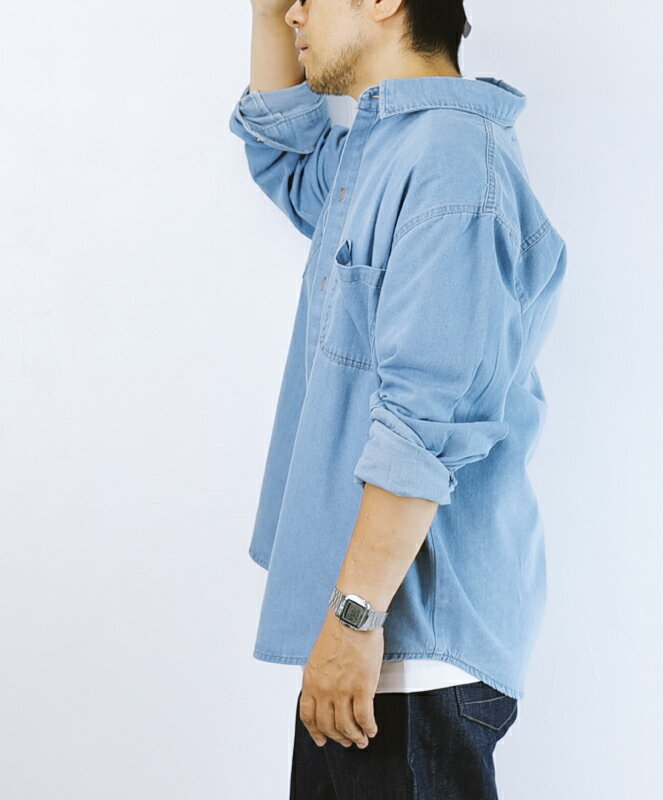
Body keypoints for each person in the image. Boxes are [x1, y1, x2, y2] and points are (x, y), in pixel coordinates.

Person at [228, 0, 567, 796]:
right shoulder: (386, 149)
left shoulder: (452, 162)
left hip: (403, 648)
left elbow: (423, 425)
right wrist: (263, 12)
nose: (294, 14)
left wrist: (354, 620)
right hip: (369, 639)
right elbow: (283, 155)